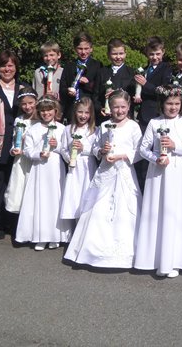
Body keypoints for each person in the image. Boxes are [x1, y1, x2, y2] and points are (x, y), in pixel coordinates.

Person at [64, 90, 143, 268]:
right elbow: (94, 149)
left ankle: (127, 252)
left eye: (123, 107)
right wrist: (102, 151)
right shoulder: (105, 125)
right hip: (105, 172)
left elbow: (139, 152)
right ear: (110, 108)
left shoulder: (133, 127)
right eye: (116, 107)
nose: (119, 111)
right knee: (99, 208)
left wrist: (122, 156)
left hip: (124, 172)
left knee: (124, 209)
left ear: (129, 107)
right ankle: (92, 250)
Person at [134, 84, 182, 278]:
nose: (173, 107)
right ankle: (156, 258)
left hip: (178, 172)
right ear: (162, 104)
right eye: (169, 104)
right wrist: (155, 158)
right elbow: (143, 149)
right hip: (158, 173)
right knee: (158, 212)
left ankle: (177, 259)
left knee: (176, 213)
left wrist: (174, 146)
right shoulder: (154, 123)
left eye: (177, 104)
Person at [0, 50, 29, 240]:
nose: (7, 69)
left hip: (20, 145)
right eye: (3, 65)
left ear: (16, 67)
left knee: (16, 184)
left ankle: (13, 222)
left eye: (10, 65)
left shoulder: (24, 87)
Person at [15, 95, 71, 250]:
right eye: (43, 111)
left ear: (55, 111)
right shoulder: (34, 129)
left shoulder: (62, 128)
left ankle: (56, 236)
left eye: (49, 110)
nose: (46, 114)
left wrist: (57, 145)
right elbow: (27, 150)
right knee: (40, 200)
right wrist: (37, 154)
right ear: (39, 112)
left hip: (55, 168)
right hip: (39, 168)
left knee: (55, 200)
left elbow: (67, 151)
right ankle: (40, 236)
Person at [59, 97, 98, 222]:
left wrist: (83, 148)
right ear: (75, 112)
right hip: (73, 169)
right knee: (74, 197)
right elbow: (63, 148)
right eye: (80, 112)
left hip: (88, 167)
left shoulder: (94, 131)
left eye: (87, 112)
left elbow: (96, 150)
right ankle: (73, 228)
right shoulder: (68, 129)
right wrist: (69, 158)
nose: (83, 115)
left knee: (85, 195)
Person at [4, 87, 38, 215]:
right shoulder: (19, 119)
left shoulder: (40, 120)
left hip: (34, 159)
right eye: (24, 104)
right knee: (19, 188)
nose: (27, 106)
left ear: (36, 102)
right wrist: (13, 150)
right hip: (21, 160)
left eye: (30, 103)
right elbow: (15, 140)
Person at [59, 32, 102, 119]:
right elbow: (62, 88)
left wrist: (88, 84)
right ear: (75, 49)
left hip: (88, 110)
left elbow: (99, 89)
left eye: (86, 48)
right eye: (80, 49)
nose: (83, 52)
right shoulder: (69, 66)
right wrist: (68, 91)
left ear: (91, 49)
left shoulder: (97, 65)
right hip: (71, 109)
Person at [133, 36, 172, 131]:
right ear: (146, 53)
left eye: (158, 54)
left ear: (163, 52)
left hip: (157, 113)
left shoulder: (166, 68)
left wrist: (146, 84)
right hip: (143, 114)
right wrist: (137, 94)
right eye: (151, 54)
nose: (155, 57)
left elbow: (164, 90)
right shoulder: (144, 69)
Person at [96, 38, 135, 123]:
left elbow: (133, 96)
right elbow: (95, 96)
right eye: (114, 54)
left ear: (125, 53)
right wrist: (99, 108)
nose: (118, 57)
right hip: (104, 118)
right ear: (108, 55)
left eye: (121, 53)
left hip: (124, 119)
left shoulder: (132, 73)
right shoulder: (101, 72)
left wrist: (117, 92)